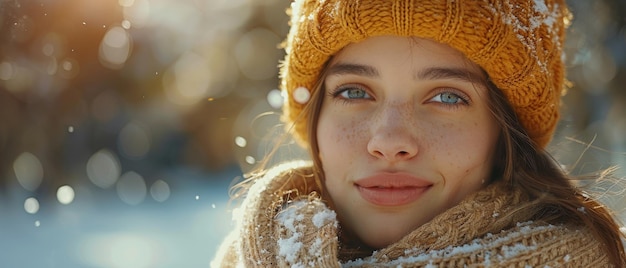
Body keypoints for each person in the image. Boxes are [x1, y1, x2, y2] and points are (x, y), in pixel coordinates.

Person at [212, 0, 626, 267]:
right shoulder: (246, 257)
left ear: (506, 133)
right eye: (354, 91)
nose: (389, 141)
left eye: (447, 97)